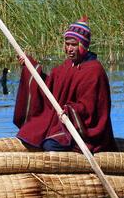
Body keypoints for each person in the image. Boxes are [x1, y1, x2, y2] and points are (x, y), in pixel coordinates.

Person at [13, 16, 117, 153]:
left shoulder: (94, 71)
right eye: (67, 44)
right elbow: (48, 89)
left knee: (50, 144)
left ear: (83, 45)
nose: (69, 49)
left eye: (73, 45)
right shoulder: (67, 66)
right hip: (64, 123)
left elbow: (91, 109)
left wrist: (69, 111)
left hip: (87, 133)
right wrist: (30, 67)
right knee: (30, 133)